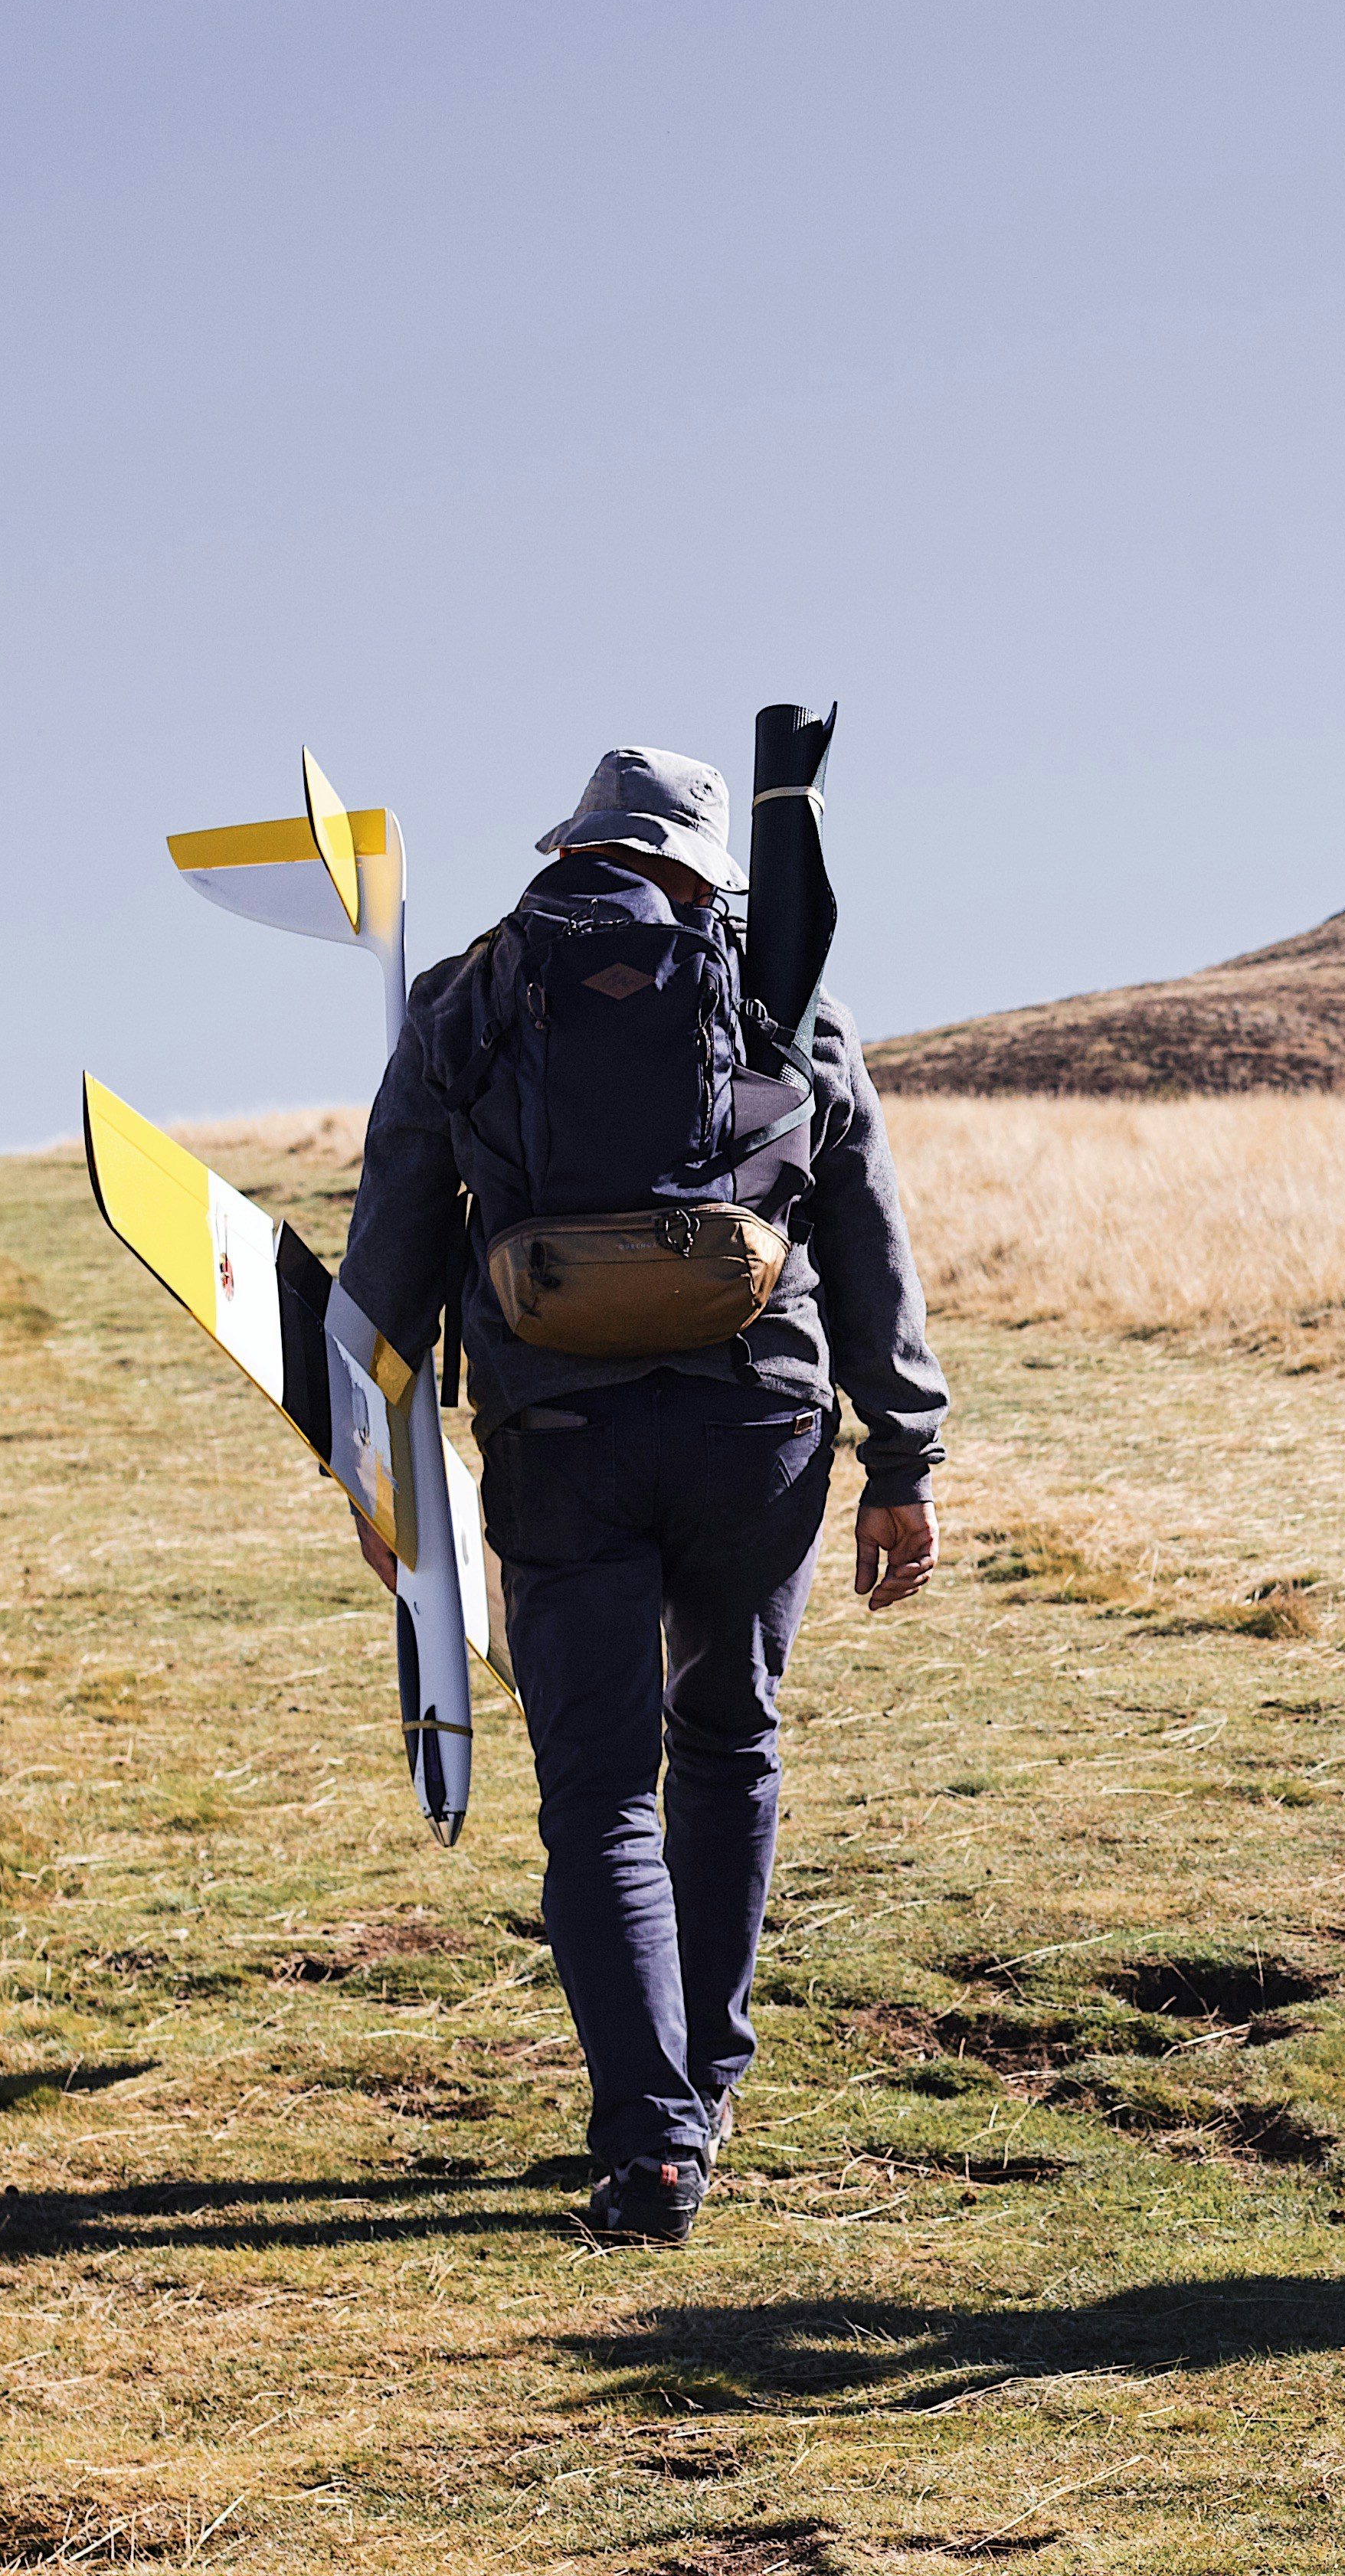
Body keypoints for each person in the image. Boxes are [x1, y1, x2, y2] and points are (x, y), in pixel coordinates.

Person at [339, 744, 949, 2243]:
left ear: (578, 846)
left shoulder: (469, 996)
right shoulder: (787, 996)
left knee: (601, 1786)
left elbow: (392, 1247)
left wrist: (381, 1468)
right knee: (728, 1737)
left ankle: (653, 2148)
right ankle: (711, 2087)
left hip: (558, 1432)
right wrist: (902, 1456)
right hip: (761, 1424)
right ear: (698, 863)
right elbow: (865, 1237)